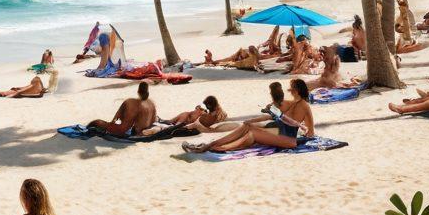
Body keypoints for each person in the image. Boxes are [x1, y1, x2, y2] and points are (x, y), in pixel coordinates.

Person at [184, 78, 314, 153]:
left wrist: (302, 136)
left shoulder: (304, 106)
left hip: (289, 139)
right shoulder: (289, 103)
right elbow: (271, 117)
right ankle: (210, 145)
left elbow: (310, 132)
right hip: (279, 131)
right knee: (248, 126)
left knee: (252, 133)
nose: (289, 90)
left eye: (291, 88)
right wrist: (250, 120)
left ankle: (215, 148)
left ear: (296, 90)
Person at [88, 82, 156, 137]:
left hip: (136, 131)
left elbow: (123, 127)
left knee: (97, 123)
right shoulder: (151, 103)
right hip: (147, 128)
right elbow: (153, 120)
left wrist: (112, 123)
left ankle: (92, 126)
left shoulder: (131, 102)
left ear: (138, 92)